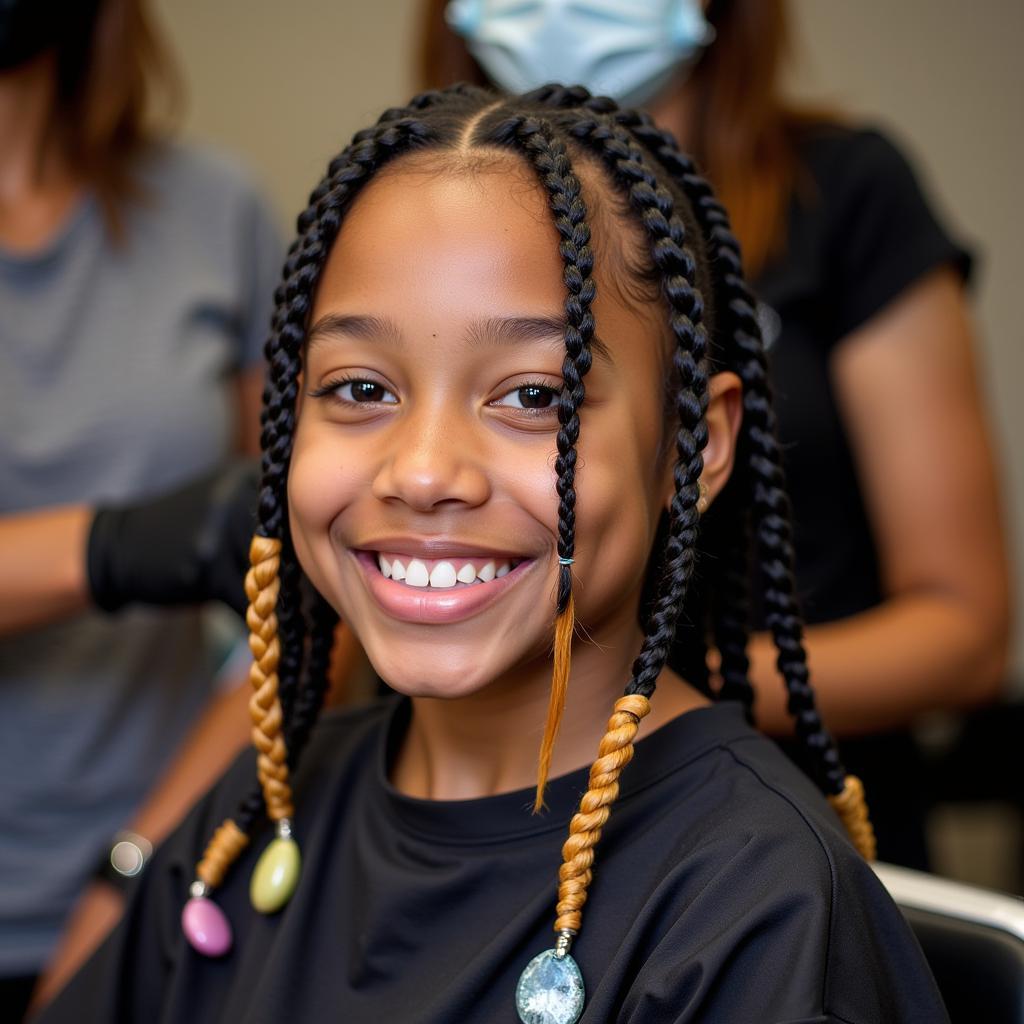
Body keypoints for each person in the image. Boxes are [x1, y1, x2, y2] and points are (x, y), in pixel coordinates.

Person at [36, 84, 947, 1024]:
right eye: (358, 386)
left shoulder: (754, 909)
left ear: (695, 447)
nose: (425, 472)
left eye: (533, 398)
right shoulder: (261, 810)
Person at [419, 0, 1012, 869]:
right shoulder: (422, 202)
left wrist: (613, 702)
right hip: (494, 822)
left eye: (542, 392)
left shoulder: (845, 193)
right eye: (360, 387)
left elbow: (964, 634)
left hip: (780, 822)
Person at [0, 0, 281, 1014]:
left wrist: (140, 869)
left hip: (168, 873)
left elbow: (295, 589)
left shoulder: (215, 212)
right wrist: (118, 547)